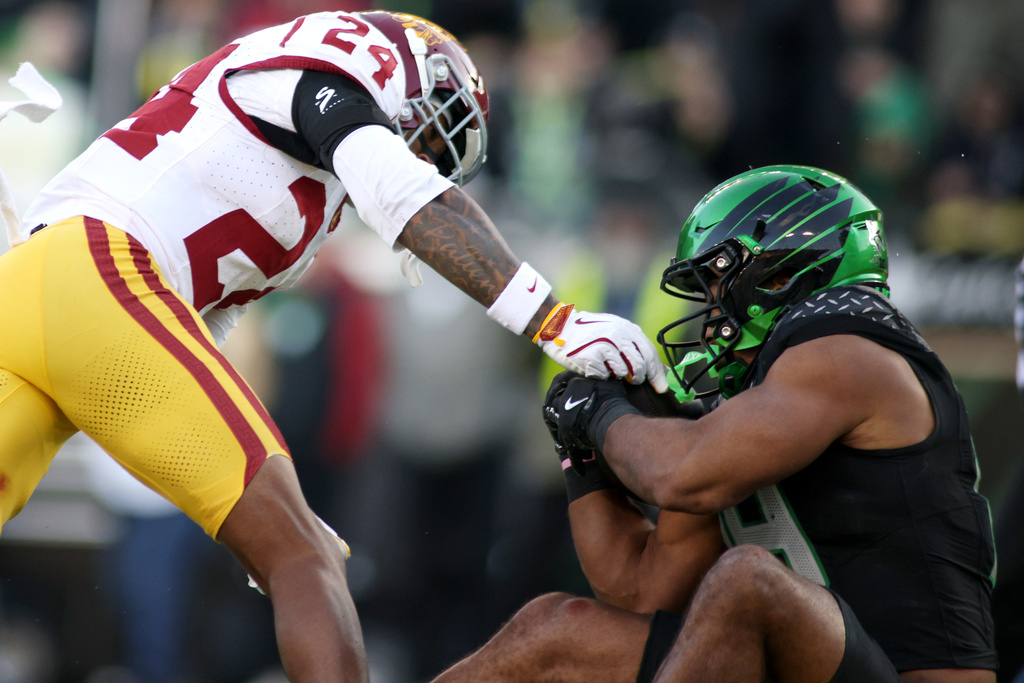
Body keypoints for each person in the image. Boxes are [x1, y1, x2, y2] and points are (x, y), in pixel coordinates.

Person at [0, 10, 669, 683]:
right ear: (403, 71)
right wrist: (554, 320)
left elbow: (199, 320)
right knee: (305, 558)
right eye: (430, 133)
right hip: (102, 272)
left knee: (293, 538)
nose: (425, 155)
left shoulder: (284, 156)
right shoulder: (325, 72)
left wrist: (262, 484)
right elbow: (406, 197)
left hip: (35, 288)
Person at [432, 165, 998, 682]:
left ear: (778, 269)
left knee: (745, 580)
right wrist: (581, 451)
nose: (708, 318)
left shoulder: (847, 352)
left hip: (904, 674)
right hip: (807, 658)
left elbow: (681, 474)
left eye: (717, 284)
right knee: (551, 629)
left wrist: (602, 413)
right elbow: (639, 589)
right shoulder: (749, 409)